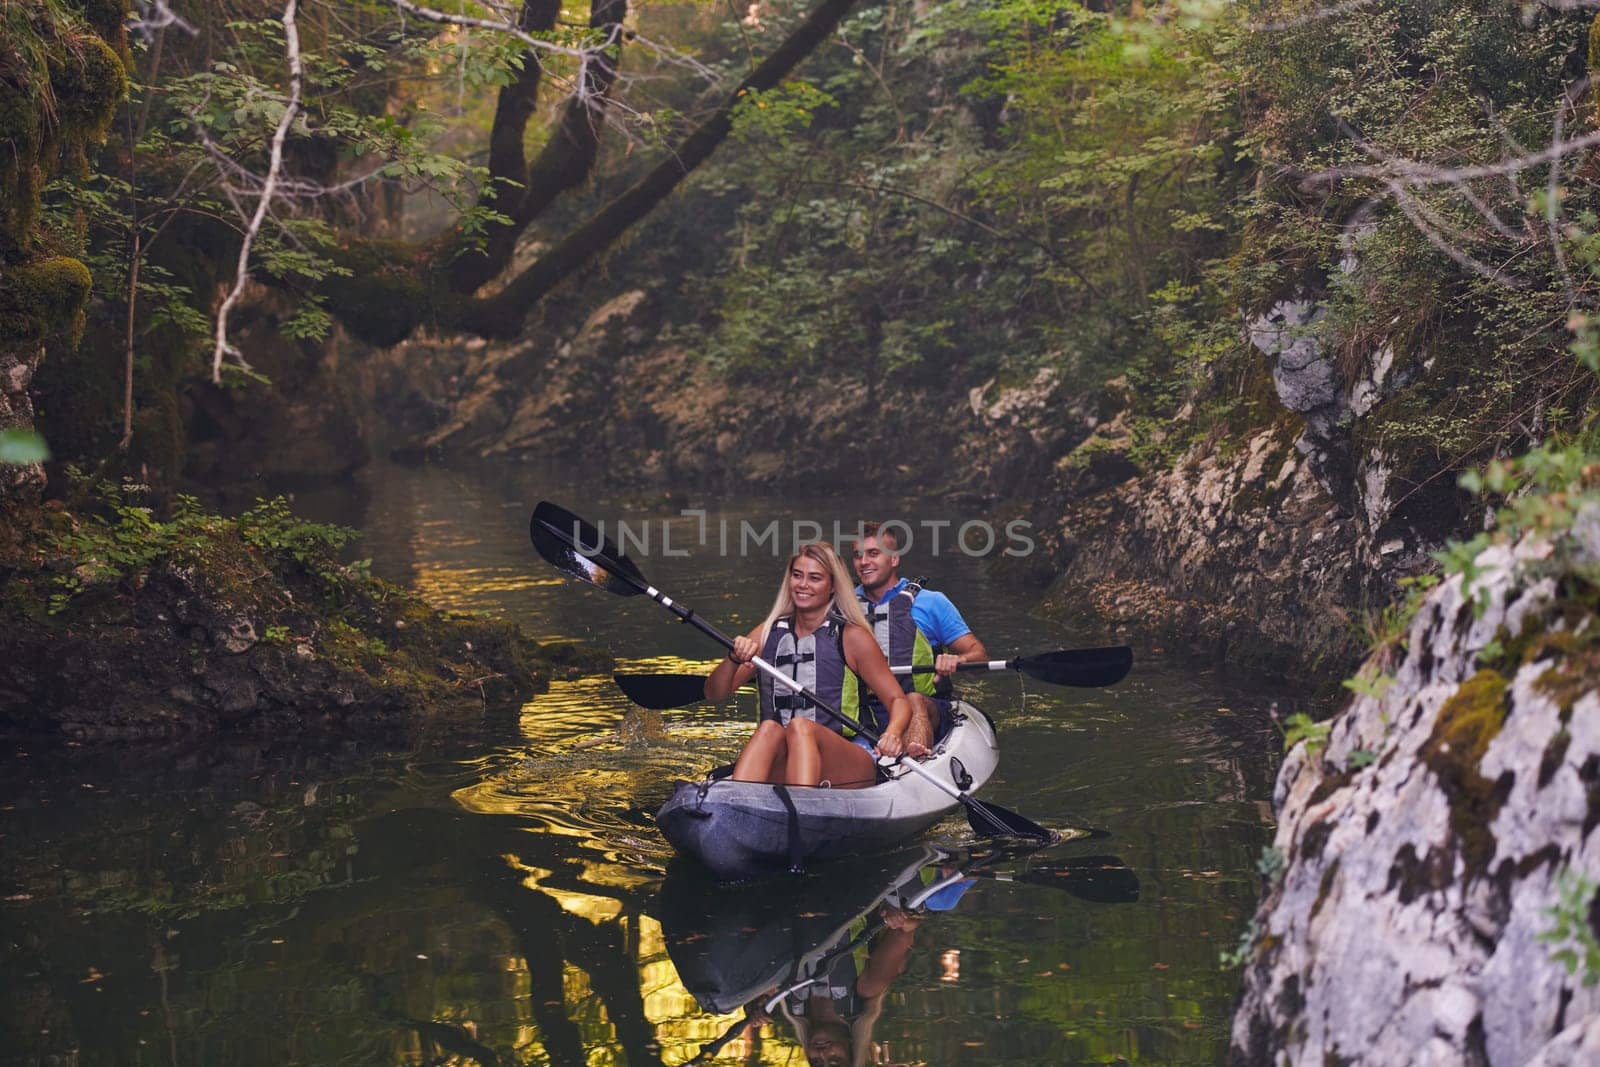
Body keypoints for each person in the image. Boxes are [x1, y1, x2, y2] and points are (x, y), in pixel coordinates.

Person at [705, 542, 915, 787]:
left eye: (814, 578)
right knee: (769, 729)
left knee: (801, 727)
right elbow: (713, 693)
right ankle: (737, 804)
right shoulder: (768, 632)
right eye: (797, 575)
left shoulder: (852, 636)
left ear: (832, 587)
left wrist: (893, 733)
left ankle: (803, 807)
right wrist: (733, 658)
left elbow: (898, 700)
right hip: (787, 755)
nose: (803, 585)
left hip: (849, 757)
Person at [852, 521, 989, 755]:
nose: (864, 562)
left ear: (894, 559)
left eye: (874, 554)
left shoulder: (932, 602)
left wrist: (957, 660)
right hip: (866, 712)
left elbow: (979, 657)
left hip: (926, 707)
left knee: (913, 700)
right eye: (857, 555)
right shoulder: (843, 606)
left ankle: (915, 762)